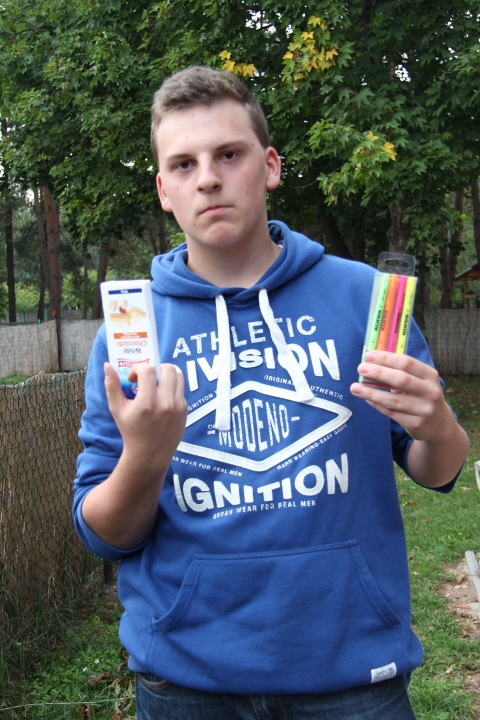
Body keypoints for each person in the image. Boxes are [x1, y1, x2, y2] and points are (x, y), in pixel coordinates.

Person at [73, 66, 469, 720]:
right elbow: (102, 536)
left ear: (271, 166)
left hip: (352, 674)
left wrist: (438, 427)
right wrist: (143, 457)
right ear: (164, 190)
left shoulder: (365, 299)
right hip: (186, 681)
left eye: (229, 154)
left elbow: (439, 469)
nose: (208, 178)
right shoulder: (132, 331)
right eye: (183, 164)